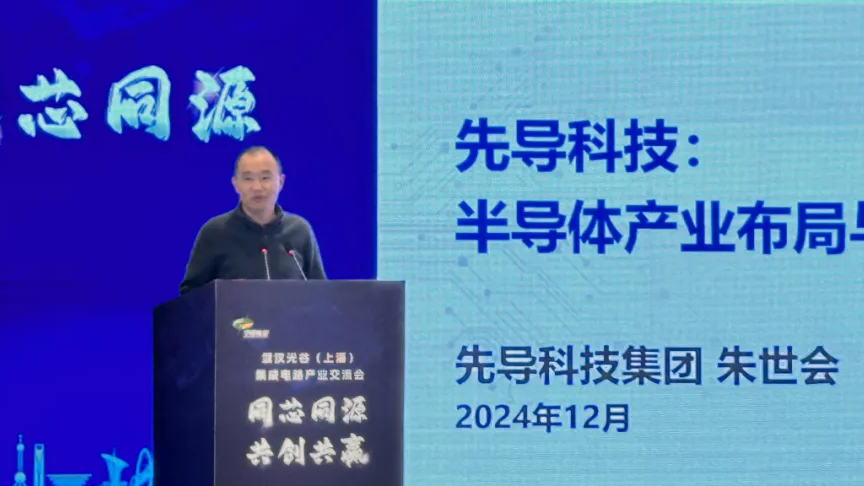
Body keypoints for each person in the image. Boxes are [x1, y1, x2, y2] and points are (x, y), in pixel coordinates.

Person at [179, 146, 326, 294]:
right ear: (235, 184)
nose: (257, 187)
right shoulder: (214, 232)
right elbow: (190, 295)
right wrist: (228, 293)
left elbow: (322, 293)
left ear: (281, 182)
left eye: (265, 178)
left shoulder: (300, 230)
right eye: (248, 179)